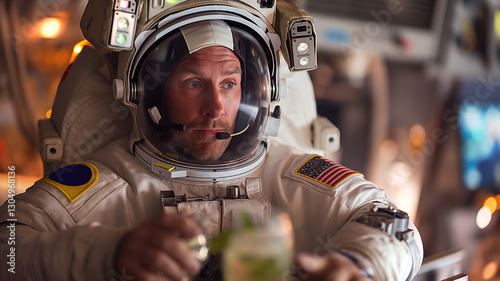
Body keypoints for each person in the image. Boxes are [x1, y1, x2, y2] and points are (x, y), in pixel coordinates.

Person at [0, 1, 423, 281]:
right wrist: (111, 253)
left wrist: (359, 267)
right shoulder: (109, 183)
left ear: (256, 91)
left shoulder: (291, 173)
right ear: (149, 91)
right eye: (193, 82)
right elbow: (10, 245)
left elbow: (390, 222)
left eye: (229, 83)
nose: (215, 106)